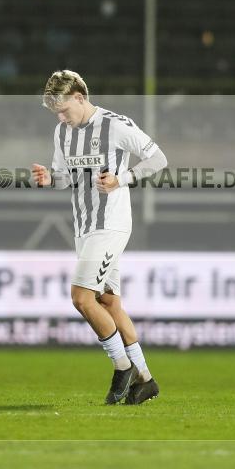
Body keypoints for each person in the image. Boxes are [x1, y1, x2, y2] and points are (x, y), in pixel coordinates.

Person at [31, 70, 167, 405]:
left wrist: (122, 179)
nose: (61, 118)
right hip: (84, 228)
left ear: (79, 97)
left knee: (81, 298)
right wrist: (50, 179)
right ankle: (145, 379)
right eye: (56, 113)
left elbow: (159, 159)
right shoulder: (63, 133)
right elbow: (66, 178)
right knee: (109, 303)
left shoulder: (115, 125)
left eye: (64, 110)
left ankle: (122, 366)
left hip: (112, 224)